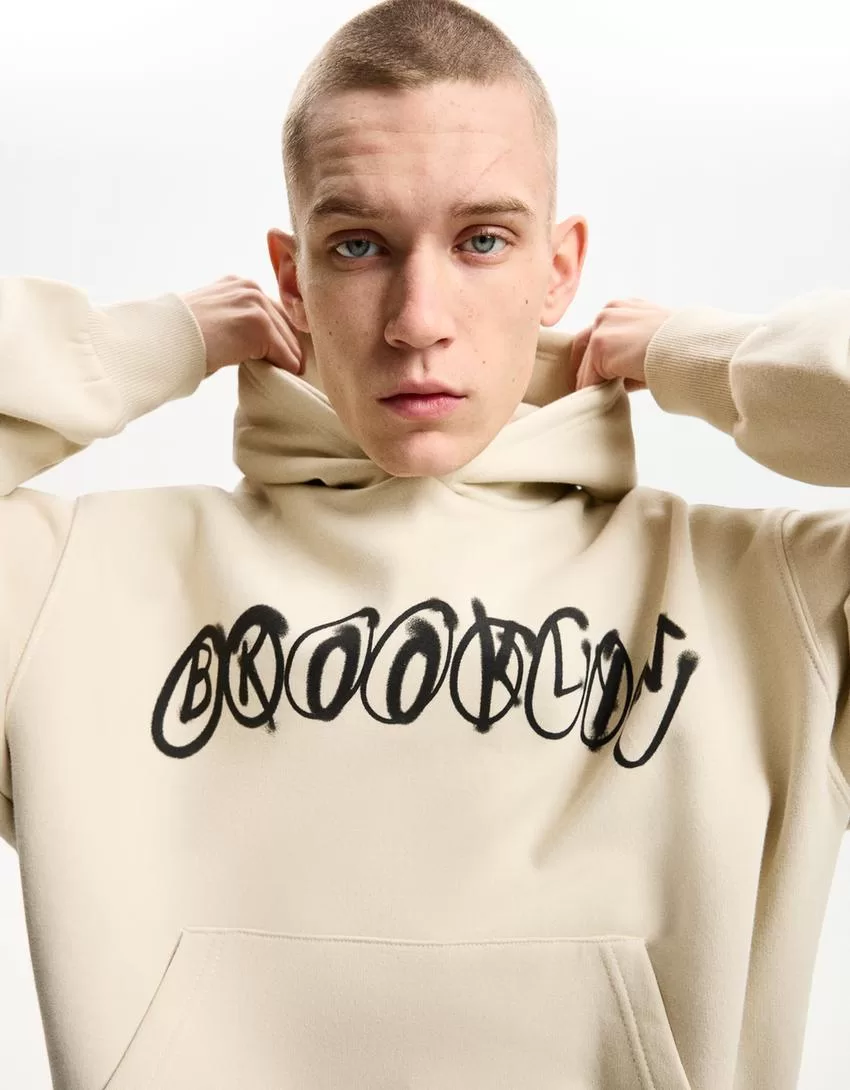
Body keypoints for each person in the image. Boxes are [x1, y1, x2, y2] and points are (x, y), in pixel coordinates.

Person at [1, 0, 848, 1086]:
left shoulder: (775, 601)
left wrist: (709, 355)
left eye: (482, 240)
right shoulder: (69, 588)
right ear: (293, 276)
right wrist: (139, 344)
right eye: (358, 245)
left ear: (559, 268)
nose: (417, 319)